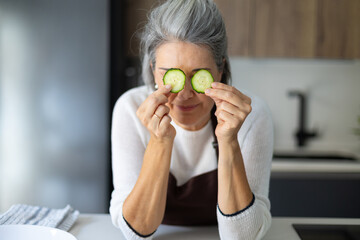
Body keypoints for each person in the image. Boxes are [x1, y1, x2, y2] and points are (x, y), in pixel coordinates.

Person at [109, 0, 274, 239]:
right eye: (171, 77)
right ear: (154, 69)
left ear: (220, 70)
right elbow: (135, 231)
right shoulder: (130, 108)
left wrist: (229, 141)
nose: (185, 93)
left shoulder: (250, 115)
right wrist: (160, 141)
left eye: (200, 76)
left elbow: (243, 236)